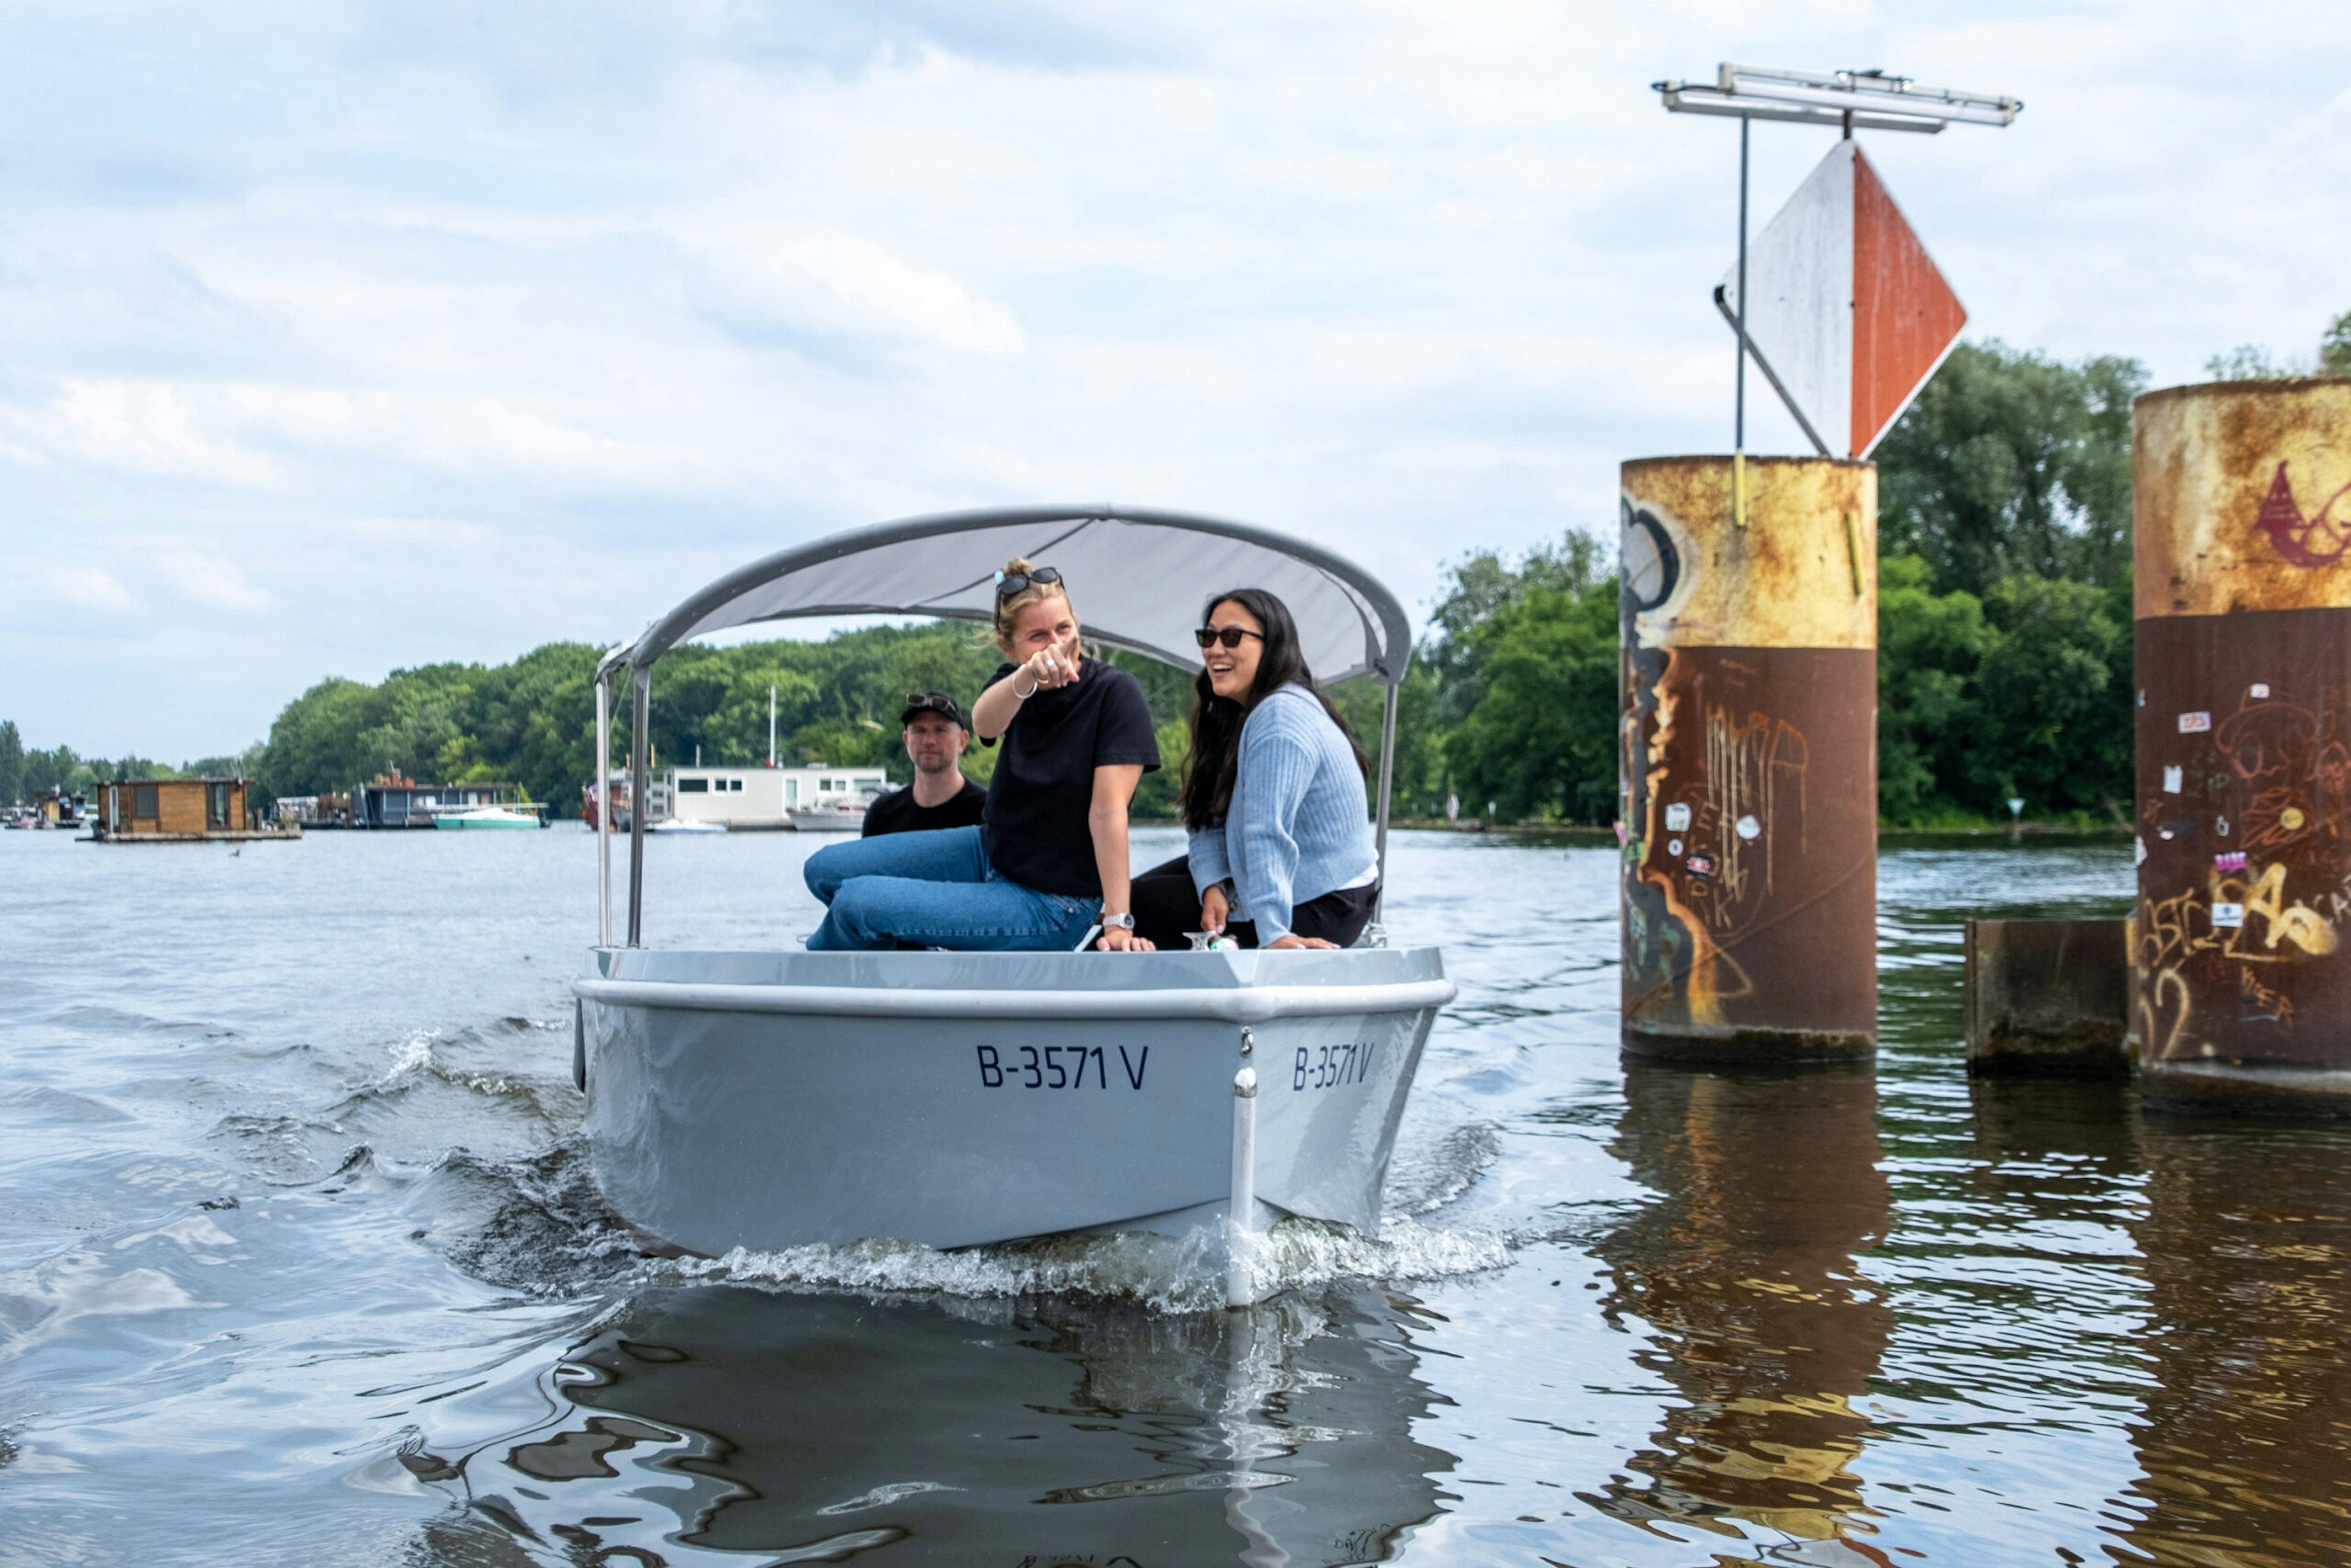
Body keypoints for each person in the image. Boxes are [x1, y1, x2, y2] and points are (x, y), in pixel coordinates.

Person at [801, 558, 1161, 951]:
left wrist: (1117, 923)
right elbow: (985, 723)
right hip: (991, 851)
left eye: (1064, 628)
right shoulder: (1014, 686)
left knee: (857, 903)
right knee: (822, 870)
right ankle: (878, 976)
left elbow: (1108, 812)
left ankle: (807, 987)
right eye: (1038, 636)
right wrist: (1027, 676)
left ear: (1077, 625)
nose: (1055, 645)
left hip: (1053, 901)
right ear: (1009, 647)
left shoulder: (1115, 692)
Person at [1130, 587, 1380, 951]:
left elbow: (1267, 833)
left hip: (1326, 903)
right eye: (1208, 637)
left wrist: (1274, 934)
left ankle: (1079, 999)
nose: (1215, 649)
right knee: (1127, 899)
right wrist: (1213, 883)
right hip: (1301, 885)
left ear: (1273, 645)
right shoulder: (1236, 714)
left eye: (1232, 637)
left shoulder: (1279, 716)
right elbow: (1207, 819)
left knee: (1140, 908)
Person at [861, 691, 986, 837]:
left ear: (962, 741)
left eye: (940, 730)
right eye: (919, 731)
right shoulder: (882, 814)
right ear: (906, 740)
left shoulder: (988, 812)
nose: (929, 741)